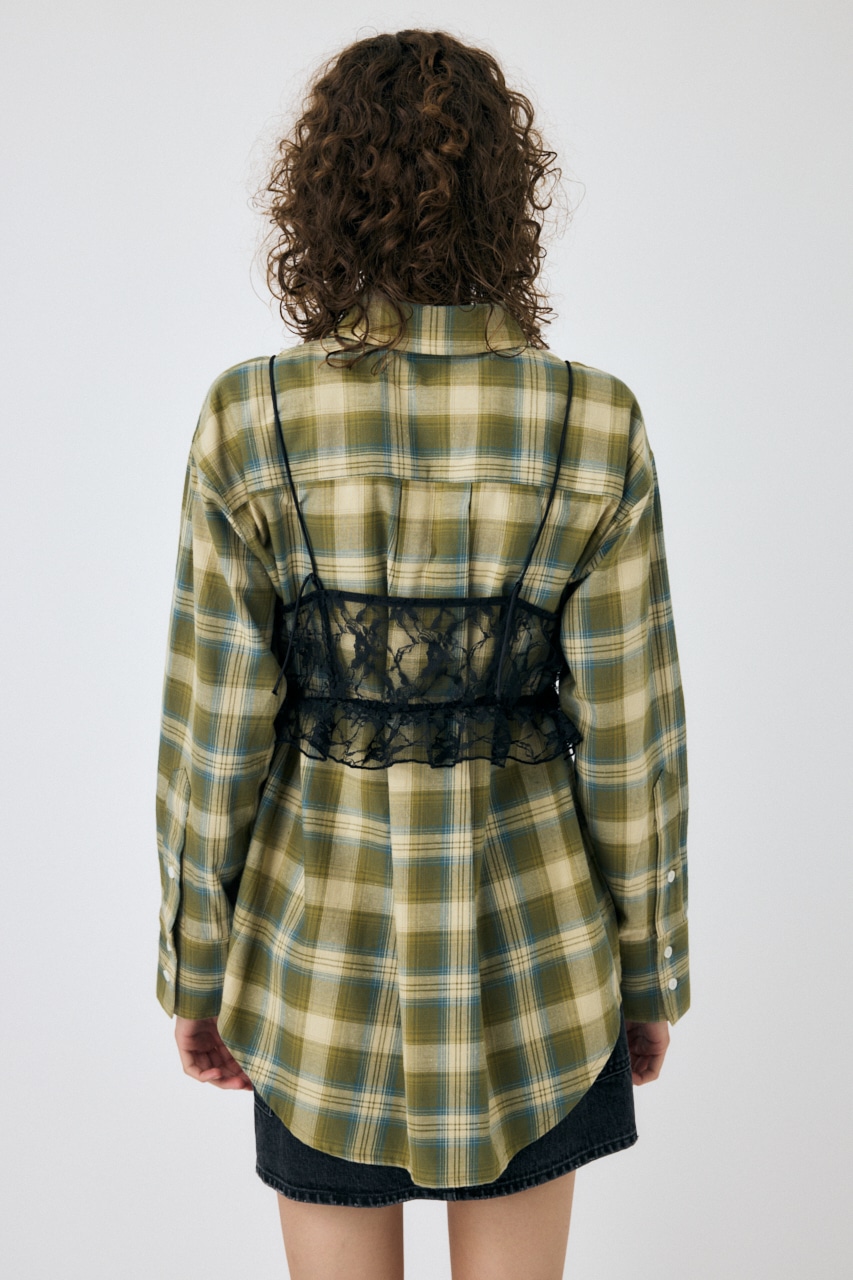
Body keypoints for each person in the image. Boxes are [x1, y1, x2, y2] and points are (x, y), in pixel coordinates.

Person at [155, 28, 690, 1280]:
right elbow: (634, 747)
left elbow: (212, 736)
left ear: (319, 198)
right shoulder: (592, 422)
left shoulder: (250, 418)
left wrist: (196, 966)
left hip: (313, 978)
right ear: (508, 197)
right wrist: (645, 972)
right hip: (538, 976)